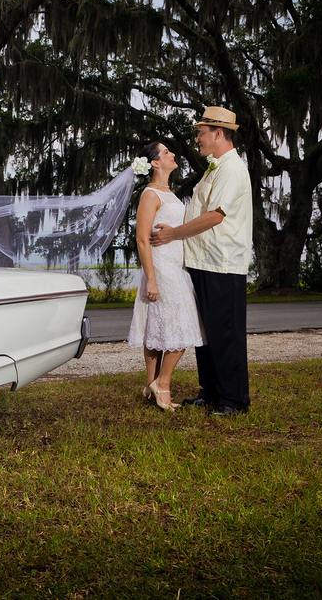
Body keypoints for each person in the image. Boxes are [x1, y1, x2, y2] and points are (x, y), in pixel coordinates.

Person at [150, 106, 253, 417]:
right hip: (203, 261)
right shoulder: (215, 167)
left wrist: (173, 235)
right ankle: (211, 392)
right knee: (206, 334)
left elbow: (214, 216)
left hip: (222, 262)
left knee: (225, 332)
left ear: (218, 133)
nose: (197, 139)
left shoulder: (232, 168)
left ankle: (234, 400)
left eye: (200, 133)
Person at [127, 141, 204, 411]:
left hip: (175, 264)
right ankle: (163, 384)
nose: (173, 154)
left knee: (159, 326)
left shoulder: (168, 192)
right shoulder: (150, 194)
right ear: (155, 163)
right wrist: (152, 278)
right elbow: (142, 239)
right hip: (161, 268)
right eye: (166, 152)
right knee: (182, 328)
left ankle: (151, 383)